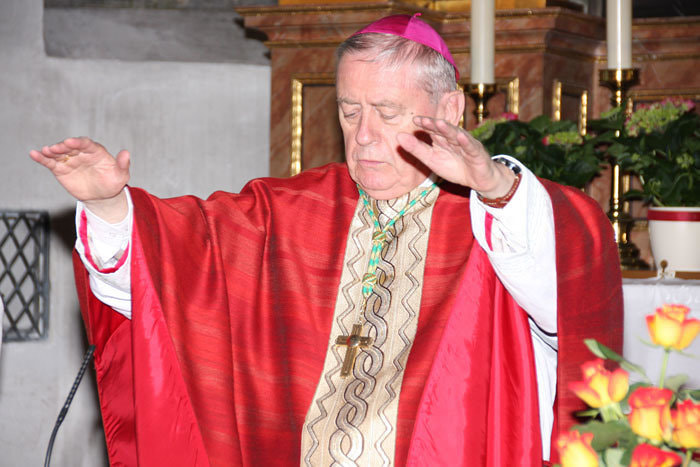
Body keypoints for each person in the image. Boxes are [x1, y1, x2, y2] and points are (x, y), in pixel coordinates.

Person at [30, 14, 622, 467]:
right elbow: (174, 274)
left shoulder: (497, 218)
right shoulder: (289, 214)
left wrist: (493, 186)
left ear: (448, 108)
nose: (363, 135)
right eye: (349, 110)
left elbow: (567, 293)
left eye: (387, 112)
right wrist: (109, 206)